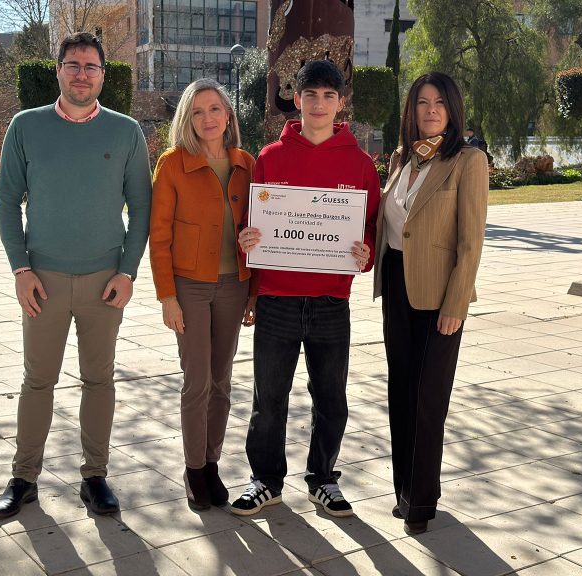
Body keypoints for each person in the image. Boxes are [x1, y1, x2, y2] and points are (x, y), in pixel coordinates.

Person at [0, 31, 151, 520]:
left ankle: (95, 476)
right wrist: (20, 269)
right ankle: (23, 478)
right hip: (44, 280)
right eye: (73, 65)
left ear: (103, 74)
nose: (82, 74)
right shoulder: (26, 126)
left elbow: (141, 209)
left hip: (105, 280)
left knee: (99, 380)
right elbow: (5, 202)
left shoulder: (126, 132)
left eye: (91, 66)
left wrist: (128, 272)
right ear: (58, 70)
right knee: (37, 381)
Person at [232, 60, 380, 518]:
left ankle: (323, 479)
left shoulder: (360, 165)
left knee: (331, 398)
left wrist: (366, 253)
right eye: (310, 95)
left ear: (341, 103)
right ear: (296, 100)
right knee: (269, 398)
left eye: (328, 96)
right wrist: (246, 242)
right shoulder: (270, 158)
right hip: (277, 299)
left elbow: (372, 229)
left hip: (331, 301)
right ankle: (265, 481)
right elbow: (250, 225)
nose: (319, 104)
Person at [373, 72, 488, 535]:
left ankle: (422, 501)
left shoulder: (468, 161)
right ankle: (404, 490)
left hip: (440, 294)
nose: (431, 110)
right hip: (397, 285)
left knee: (428, 398)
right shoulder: (402, 158)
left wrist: (456, 304)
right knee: (400, 391)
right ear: (412, 110)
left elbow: (470, 242)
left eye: (439, 102)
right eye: (422, 102)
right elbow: (391, 224)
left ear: (452, 109)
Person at [149, 78, 255, 511]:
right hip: (189, 287)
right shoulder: (172, 164)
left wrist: (254, 293)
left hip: (235, 285)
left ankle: (212, 463)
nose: (207, 118)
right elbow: (158, 236)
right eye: (197, 111)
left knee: (222, 381)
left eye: (214, 109)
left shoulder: (247, 164)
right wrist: (167, 297)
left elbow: (261, 227)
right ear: (187, 119)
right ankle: (194, 469)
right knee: (198, 381)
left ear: (228, 115)